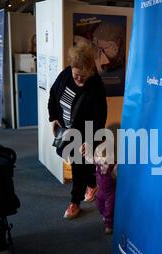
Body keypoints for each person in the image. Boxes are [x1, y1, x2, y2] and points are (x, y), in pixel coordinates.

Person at [48, 42, 108, 219]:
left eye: (83, 76)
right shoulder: (66, 74)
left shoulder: (96, 84)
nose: (79, 79)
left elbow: (100, 116)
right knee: (66, 154)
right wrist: (54, 117)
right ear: (72, 68)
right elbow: (53, 94)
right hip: (65, 128)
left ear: (90, 70)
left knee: (78, 165)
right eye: (76, 75)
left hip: (84, 132)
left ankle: (75, 202)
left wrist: (90, 140)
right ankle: (92, 182)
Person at [93, 140, 117, 235]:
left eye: (101, 155)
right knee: (98, 204)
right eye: (97, 155)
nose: (98, 158)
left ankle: (109, 225)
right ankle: (105, 215)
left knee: (109, 208)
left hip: (110, 192)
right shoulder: (98, 165)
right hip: (101, 190)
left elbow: (116, 175)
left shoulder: (113, 166)